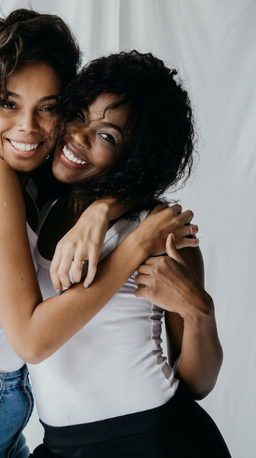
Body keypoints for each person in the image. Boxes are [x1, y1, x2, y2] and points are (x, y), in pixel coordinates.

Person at [0, 10, 195, 458]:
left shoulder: (35, 184)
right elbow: (33, 341)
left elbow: (122, 178)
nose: (28, 126)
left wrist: (101, 209)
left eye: (50, 107)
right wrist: (135, 247)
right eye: (9, 103)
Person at [27, 51, 231, 457]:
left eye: (107, 136)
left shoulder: (157, 232)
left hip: (156, 440)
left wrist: (200, 312)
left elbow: (197, 385)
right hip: (61, 445)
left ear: (136, 157)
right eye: (80, 114)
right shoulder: (35, 203)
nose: (78, 136)